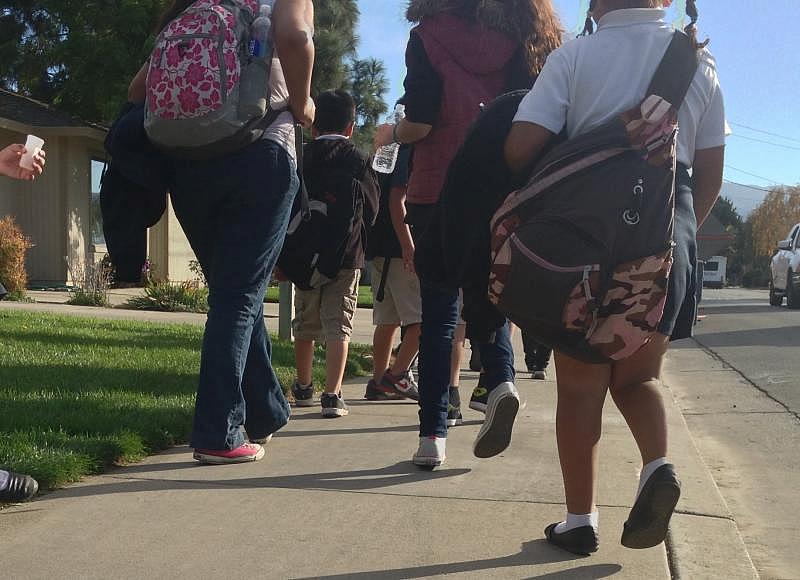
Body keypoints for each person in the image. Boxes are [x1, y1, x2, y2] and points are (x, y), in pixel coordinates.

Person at [504, 0, 725, 555]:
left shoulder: (575, 57)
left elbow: (519, 148)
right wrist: (666, 244)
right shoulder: (698, 64)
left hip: (581, 240)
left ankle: (580, 521)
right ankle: (657, 466)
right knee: (637, 378)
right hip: (666, 235)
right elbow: (710, 174)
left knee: (580, 388)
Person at [374, 0, 562, 467]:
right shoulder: (525, 32)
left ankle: (432, 436)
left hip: (436, 186)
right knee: (490, 294)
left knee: (439, 315)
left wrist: (389, 135)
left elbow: (420, 121)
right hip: (499, 186)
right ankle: (500, 381)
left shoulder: (429, 35)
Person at [129, 0, 316, 464]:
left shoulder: (189, 7)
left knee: (234, 292)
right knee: (238, 297)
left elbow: (137, 90)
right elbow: (295, 38)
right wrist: (302, 100)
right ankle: (218, 431)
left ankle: (267, 410)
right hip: (260, 151)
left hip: (188, 167)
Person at [289, 90, 379, 418]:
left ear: (313, 126)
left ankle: (302, 387)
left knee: (305, 323)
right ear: (351, 127)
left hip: (305, 255)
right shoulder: (357, 158)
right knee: (338, 324)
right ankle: (332, 394)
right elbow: (371, 208)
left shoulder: (301, 155)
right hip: (345, 254)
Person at [364, 142, 422, 403]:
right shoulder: (411, 152)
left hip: (379, 247)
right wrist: (409, 247)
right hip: (401, 249)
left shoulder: (386, 151)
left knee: (387, 321)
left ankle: (378, 381)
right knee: (423, 321)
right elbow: (397, 199)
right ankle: (396, 375)